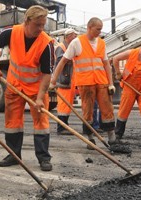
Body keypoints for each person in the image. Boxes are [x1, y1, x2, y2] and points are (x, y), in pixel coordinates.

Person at [0, 5, 54, 171]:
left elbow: (47, 74)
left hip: (35, 89)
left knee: (41, 122)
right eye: (37, 25)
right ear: (27, 21)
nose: (41, 29)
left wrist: (40, 98)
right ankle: (13, 155)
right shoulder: (11, 32)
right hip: (14, 85)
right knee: (13, 122)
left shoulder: (46, 43)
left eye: (43, 25)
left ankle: (43, 158)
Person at [50, 17, 117, 149]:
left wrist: (111, 83)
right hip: (86, 83)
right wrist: (53, 81)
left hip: (101, 81)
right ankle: (90, 139)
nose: (99, 32)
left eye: (101, 29)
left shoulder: (101, 43)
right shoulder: (77, 43)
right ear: (89, 27)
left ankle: (112, 139)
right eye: (98, 29)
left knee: (107, 109)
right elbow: (62, 62)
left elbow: (106, 65)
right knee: (88, 111)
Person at [113, 38, 141, 143]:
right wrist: (118, 73)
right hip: (129, 86)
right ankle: (118, 134)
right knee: (124, 110)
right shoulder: (132, 53)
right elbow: (115, 58)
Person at [54, 28, 79, 135]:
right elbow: (60, 61)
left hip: (69, 80)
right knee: (63, 104)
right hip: (64, 79)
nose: (76, 38)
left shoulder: (69, 47)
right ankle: (61, 127)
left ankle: (65, 124)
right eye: (74, 36)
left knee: (67, 104)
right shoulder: (61, 47)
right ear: (68, 36)